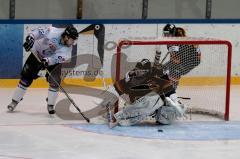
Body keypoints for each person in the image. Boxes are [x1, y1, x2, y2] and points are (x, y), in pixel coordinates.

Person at [7, 25, 79, 114]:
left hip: (50, 61)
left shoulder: (67, 50)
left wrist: (47, 61)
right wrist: (31, 38)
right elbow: (38, 32)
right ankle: (14, 101)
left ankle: (50, 104)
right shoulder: (52, 31)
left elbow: (57, 58)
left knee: (55, 80)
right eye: (72, 40)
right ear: (66, 37)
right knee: (26, 78)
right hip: (36, 54)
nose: (73, 43)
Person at [98, 56, 187, 127]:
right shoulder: (130, 78)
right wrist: (105, 101)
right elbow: (115, 90)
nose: (139, 72)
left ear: (148, 71)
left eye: (143, 71)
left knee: (166, 119)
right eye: (138, 70)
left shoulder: (156, 76)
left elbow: (170, 90)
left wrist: (176, 103)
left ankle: (165, 114)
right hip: (136, 108)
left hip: (155, 110)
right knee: (153, 98)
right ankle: (120, 117)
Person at [162, 24, 201, 88]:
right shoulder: (170, 43)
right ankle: (169, 88)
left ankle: (172, 89)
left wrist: (171, 65)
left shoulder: (181, 40)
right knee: (164, 68)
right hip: (185, 59)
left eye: (167, 34)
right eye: (165, 34)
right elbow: (174, 58)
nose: (166, 36)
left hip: (192, 60)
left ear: (173, 33)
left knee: (173, 70)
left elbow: (176, 60)